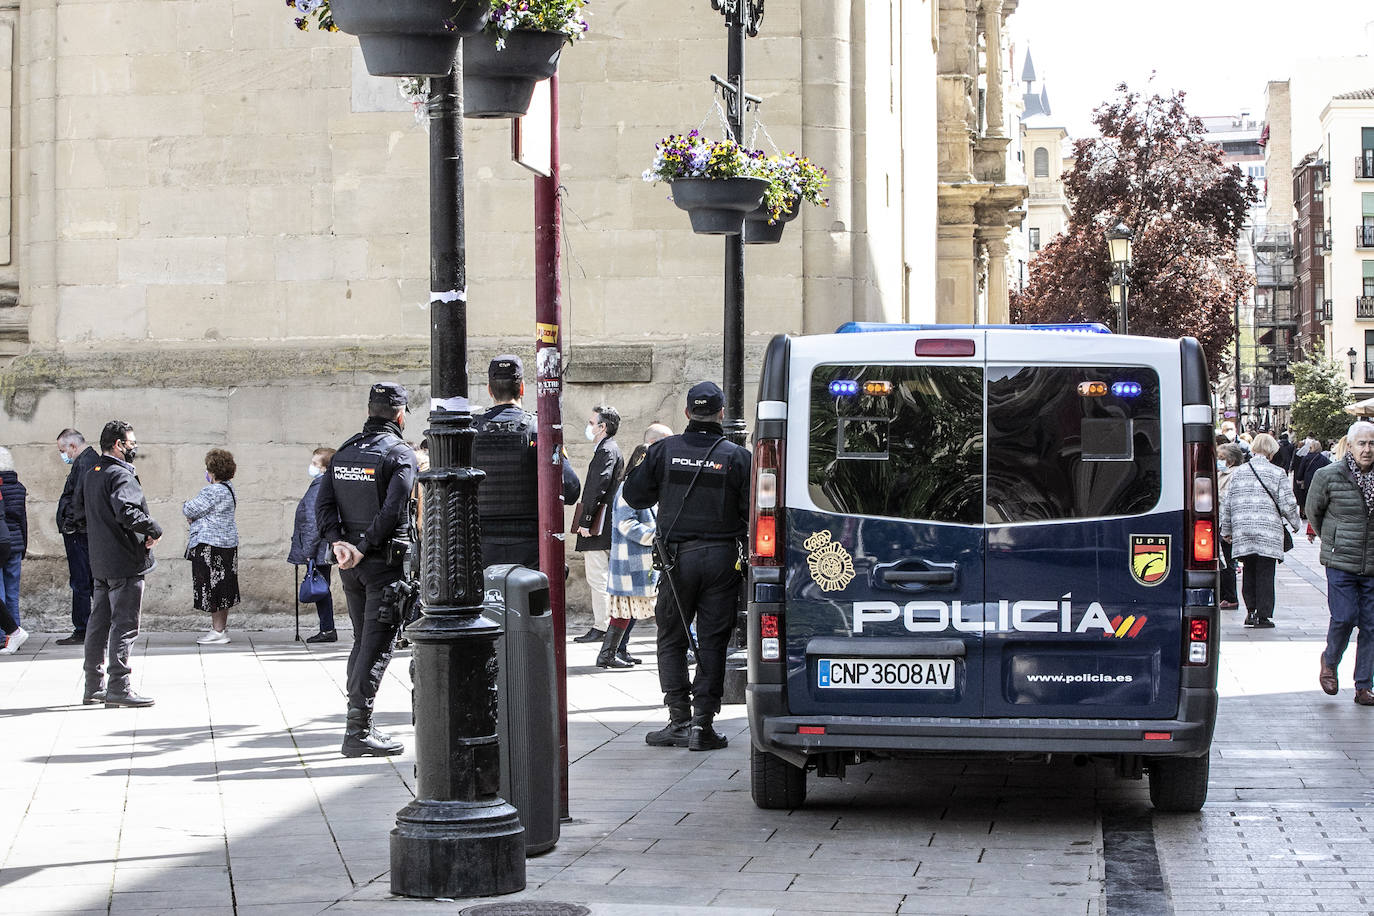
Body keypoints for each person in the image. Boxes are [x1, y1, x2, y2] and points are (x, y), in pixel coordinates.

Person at [623, 382, 750, 751]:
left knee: (672, 638)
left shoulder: (664, 450)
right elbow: (750, 512)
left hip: (676, 560)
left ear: (687, 413)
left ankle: (678, 718)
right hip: (722, 558)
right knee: (713, 641)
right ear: (722, 414)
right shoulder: (737, 457)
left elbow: (633, 495)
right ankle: (702, 725)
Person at [316, 382, 418, 757]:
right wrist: (361, 547)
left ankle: (358, 723)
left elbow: (322, 503)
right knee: (376, 646)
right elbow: (393, 511)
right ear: (400, 415)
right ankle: (357, 731)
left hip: (350, 565)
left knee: (362, 642)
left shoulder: (344, 452)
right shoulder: (399, 455)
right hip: (383, 565)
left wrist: (338, 543)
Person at [73, 421, 163, 707]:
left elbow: (78, 513)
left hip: (101, 562)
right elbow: (127, 511)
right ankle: (118, 686)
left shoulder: (92, 473)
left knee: (98, 625)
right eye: (131, 442)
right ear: (117, 444)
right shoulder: (120, 475)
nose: (134, 447)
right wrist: (153, 529)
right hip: (124, 562)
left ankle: (93, 685)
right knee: (124, 625)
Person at [472, 354, 581, 569]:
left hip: (481, 550)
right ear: (522, 388)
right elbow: (570, 489)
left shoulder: (471, 432)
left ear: (489, 389)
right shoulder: (540, 430)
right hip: (530, 550)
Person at [1306, 419, 1374, 706]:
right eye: (1362, 443)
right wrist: (1332, 541)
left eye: (1372, 444)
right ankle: (1330, 660)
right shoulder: (1328, 475)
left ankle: (1363, 685)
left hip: (1372, 563)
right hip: (1340, 562)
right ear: (1351, 445)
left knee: (1372, 625)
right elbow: (1313, 511)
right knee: (1344, 617)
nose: (1368, 449)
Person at [597, 423, 673, 670]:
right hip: (631, 560)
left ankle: (614, 652)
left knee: (630, 610)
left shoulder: (644, 486)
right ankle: (608, 654)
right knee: (634, 610)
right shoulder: (630, 487)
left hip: (639, 561)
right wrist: (654, 536)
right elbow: (624, 523)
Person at [1219, 432, 1301, 629]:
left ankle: (1250, 611)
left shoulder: (1238, 472)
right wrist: (1296, 523)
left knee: (1248, 570)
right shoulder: (1277, 473)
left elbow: (1228, 503)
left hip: (1244, 530)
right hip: (1268, 531)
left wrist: (1227, 530)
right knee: (1265, 572)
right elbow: (1288, 503)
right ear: (1272, 451)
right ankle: (1263, 615)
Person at [572, 405, 624, 644]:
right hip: (606, 523)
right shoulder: (608, 449)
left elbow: (597, 487)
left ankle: (602, 626)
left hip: (599, 526)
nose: (589, 426)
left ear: (603, 427)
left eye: (593, 423)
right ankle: (605, 626)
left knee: (598, 578)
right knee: (603, 577)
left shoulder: (606, 450)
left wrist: (586, 520)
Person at [184, 448, 240, 646]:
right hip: (226, 545)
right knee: (223, 588)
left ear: (212, 470)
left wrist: (189, 510)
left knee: (213, 587)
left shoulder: (212, 490)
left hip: (211, 546)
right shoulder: (228, 488)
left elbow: (190, 508)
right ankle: (219, 629)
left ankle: (217, 631)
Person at [55, 429, 100, 645]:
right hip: (81, 531)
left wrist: (71, 525)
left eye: (63, 450)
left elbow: (79, 498)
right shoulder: (87, 460)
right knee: (87, 581)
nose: (63, 455)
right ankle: (90, 627)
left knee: (81, 581)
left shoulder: (85, 462)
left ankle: (82, 629)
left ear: (73, 446)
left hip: (79, 533)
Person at [290, 447, 338, 643]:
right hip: (322, 546)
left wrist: (308, 551)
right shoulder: (326, 484)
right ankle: (327, 628)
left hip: (318, 548)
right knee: (322, 586)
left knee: (320, 588)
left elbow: (312, 521)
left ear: (324, 468)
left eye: (315, 463)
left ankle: (327, 629)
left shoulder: (319, 487)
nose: (311, 467)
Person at [0, 447, 26, 627]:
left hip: (1, 541)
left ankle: (2, 634)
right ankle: (15, 629)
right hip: (16, 543)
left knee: (0, 591)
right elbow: (23, 520)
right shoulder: (19, 488)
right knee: (12, 592)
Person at [1216, 442, 1243, 609]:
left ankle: (1230, 597)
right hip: (1220, 521)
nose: (1218, 461)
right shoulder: (1222, 473)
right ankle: (1224, 595)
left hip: (1227, 524)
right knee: (1223, 561)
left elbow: (1228, 499)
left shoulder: (1235, 474)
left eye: (1221, 458)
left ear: (1231, 461)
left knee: (1227, 562)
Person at [1294, 437, 1331, 519]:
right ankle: (1315, 512)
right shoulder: (1323, 459)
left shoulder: (1306, 458)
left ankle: (1306, 512)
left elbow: (1301, 470)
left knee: (1307, 497)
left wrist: (1299, 479)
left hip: (1308, 480)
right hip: (1320, 481)